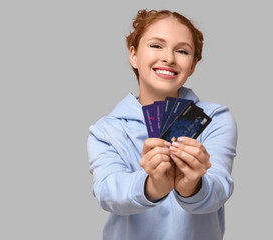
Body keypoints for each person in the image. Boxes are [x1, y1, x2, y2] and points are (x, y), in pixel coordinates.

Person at [87, 9, 238, 240]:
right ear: (134, 55)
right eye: (156, 46)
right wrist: (152, 186)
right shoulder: (107, 130)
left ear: (193, 65)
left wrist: (192, 185)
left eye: (182, 50)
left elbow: (220, 188)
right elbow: (108, 193)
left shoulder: (215, 119)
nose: (169, 57)